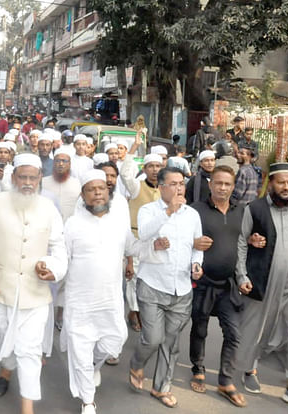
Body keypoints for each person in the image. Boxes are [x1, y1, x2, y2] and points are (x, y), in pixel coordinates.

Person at [0, 153, 67, 414]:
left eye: (32, 178)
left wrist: (52, 267)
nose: (27, 182)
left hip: (35, 294)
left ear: (39, 179)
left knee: (29, 350)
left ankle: (28, 408)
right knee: (3, 343)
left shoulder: (49, 208)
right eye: (22, 177)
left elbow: (59, 249)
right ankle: (6, 370)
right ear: (13, 178)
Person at [236, 163, 288, 408]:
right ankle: (249, 370)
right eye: (281, 182)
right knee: (257, 330)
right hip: (263, 282)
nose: (286, 187)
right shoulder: (255, 209)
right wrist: (242, 276)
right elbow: (241, 241)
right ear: (271, 182)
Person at [62, 169, 136, 414]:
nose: (96, 193)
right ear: (83, 195)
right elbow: (62, 259)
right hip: (80, 300)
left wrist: (154, 244)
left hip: (110, 299)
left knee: (116, 341)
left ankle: (94, 365)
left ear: (108, 192)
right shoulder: (72, 225)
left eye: (101, 189)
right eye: (91, 190)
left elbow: (132, 248)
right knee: (81, 348)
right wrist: (49, 269)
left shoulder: (118, 223)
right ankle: (88, 401)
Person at [129, 167, 203, 409]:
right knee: (152, 338)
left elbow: (197, 245)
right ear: (161, 187)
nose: (179, 188)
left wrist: (196, 264)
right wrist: (169, 211)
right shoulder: (148, 211)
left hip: (181, 289)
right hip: (152, 285)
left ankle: (161, 388)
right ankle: (137, 363)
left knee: (170, 343)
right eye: (173, 184)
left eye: (181, 183)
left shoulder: (192, 215)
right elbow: (145, 235)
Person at [188, 165, 246, 406]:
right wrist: (194, 241)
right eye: (218, 183)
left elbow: (248, 239)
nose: (222, 188)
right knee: (200, 328)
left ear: (233, 187)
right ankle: (198, 367)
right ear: (210, 184)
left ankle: (225, 380)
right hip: (203, 283)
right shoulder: (195, 211)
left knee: (234, 333)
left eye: (227, 184)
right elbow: (182, 239)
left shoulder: (242, 212)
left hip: (228, 285)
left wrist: (255, 239)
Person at [120, 139, 163, 332]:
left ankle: (147, 311)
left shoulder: (165, 188)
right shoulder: (137, 186)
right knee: (134, 277)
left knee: (152, 276)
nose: (155, 169)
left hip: (157, 241)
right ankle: (134, 312)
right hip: (136, 238)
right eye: (151, 166)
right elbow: (125, 174)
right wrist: (134, 148)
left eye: (158, 166)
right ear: (144, 168)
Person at [42, 149, 81, 222]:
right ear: (53, 163)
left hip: (70, 225)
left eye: (64, 161)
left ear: (69, 164)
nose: (61, 164)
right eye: (57, 161)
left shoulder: (77, 183)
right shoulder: (43, 182)